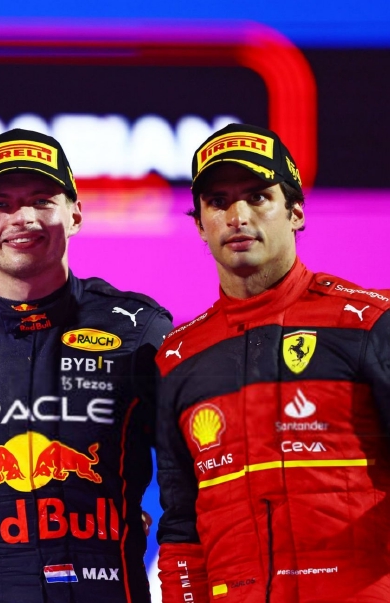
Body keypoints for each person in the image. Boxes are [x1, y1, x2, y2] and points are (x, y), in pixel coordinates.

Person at [0, 129, 173, 602]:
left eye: (41, 200)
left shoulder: (139, 328)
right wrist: (6, 527)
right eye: (1, 204)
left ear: (75, 214)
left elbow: (193, 477)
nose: (23, 218)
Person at [155, 123, 390, 602]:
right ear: (199, 224)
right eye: (217, 202)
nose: (237, 216)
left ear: (296, 211)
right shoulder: (178, 357)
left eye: (258, 197)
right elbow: (181, 530)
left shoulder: (369, 322)